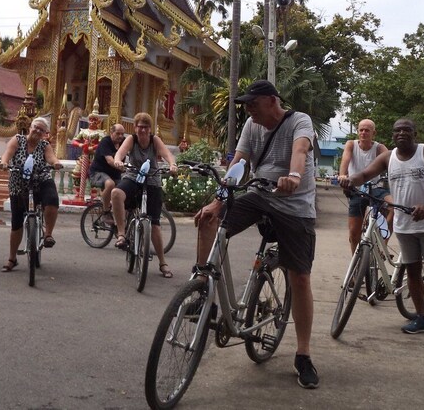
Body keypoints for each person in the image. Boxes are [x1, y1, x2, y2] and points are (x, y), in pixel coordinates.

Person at [194, 80, 320, 389]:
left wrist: (293, 176)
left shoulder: (299, 121)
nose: (248, 108)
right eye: (246, 104)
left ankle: (303, 354)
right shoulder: (252, 124)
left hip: (295, 205)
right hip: (260, 193)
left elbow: (300, 151)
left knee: (299, 277)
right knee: (208, 220)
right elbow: (238, 164)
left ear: (272, 100)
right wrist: (216, 201)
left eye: (253, 102)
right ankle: (202, 290)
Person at [340, 118, 424, 347]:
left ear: (415, 133)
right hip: (404, 227)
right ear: (392, 135)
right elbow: (365, 174)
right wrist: (350, 180)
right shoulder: (389, 158)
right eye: (397, 131)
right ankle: (421, 317)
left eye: (407, 130)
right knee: (414, 272)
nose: (401, 134)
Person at [112, 113, 178, 278]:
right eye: (140, 127)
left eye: (146, 127)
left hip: (152, 180)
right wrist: (118, 161)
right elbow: (120, 153)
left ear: (150, 129)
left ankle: (163, 263)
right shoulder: (131, 140)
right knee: (116, 193)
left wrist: (172, 164)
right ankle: (121, 234)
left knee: (154, 225)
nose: (142, 130)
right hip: (133, 177)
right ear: (135, 128)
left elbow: (167, 154)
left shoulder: (154, 140)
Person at [0, 117, 63, 272]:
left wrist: (55, 163)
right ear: (30, 127)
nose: (37, 131)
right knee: (16, 223)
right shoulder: (18, 140)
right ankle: (12, 258)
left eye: (41, 130)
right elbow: (7, 153)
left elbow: (51, 157)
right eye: (36, 127)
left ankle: (48, 235)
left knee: (52, 200)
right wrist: (5, 162)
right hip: (19, 184)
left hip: (41, 181)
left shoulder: (44, 145)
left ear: (45, 134)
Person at [338, 119, 392, 254]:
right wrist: (343, 175)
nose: (363, 133)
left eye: (367, 130)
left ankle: (383, 245)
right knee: (354, 234)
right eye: (361, 130)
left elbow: (392, 161)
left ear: (374, 132)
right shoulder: (351, 144)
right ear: (357, 131)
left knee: (395, 207)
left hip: (377, 189)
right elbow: (346, 159)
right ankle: (355, 264)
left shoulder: (379, 148)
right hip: (356, 190)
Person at [88, 123, 126, 220]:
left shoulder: (124, 143)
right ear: (111, 132)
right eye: (118, 133)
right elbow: (110, 160)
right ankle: (105, 211)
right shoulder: (106, 142)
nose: (120, 136)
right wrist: (122, 167)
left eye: (122, 134)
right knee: (110, 184)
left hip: (115, 175)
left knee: (126, 190)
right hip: (98, 172)